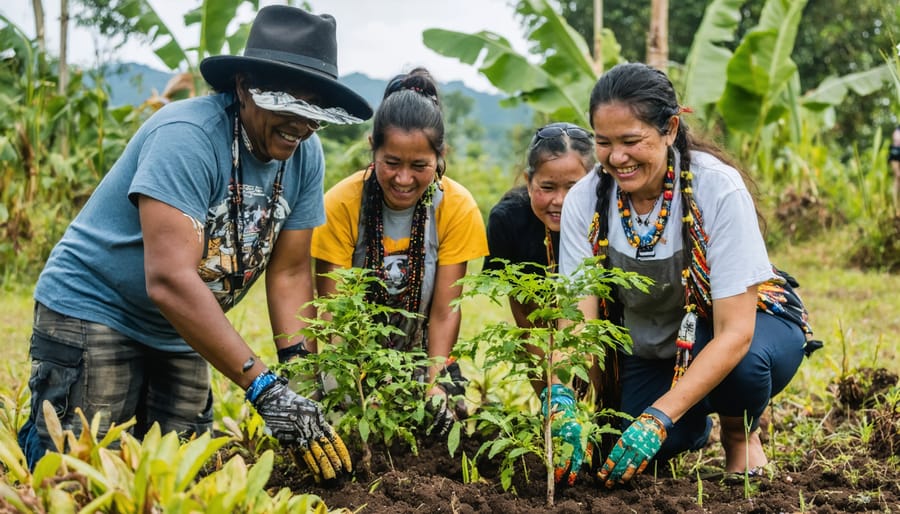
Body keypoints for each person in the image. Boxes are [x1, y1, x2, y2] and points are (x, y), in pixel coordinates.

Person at [18, 5, 372, 482]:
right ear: (243, 87)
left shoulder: (303, 155)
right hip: (95, 308)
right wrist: (263, 387)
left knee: (184, 474)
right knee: (83, 471)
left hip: (179, 327)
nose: (300, 124)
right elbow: (168, 278)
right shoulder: (188, 136)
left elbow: (288, 272)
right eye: (285, 103)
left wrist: (300, 374)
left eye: (312, 112)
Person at [558, 63, 819, 487]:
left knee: (745, 366)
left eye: (631, 141)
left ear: (670, 128)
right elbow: (579, 324)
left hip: (741, 328)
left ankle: (739, 437)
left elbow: (736, 332)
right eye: (603, 142)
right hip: (656, 344)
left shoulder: (718, 189)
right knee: (616, 449)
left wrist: (659, 416)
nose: (616, 157)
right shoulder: (585, 199)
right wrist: (562, 394)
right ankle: (691, 422)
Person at [310, 67, 489, 436]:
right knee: (341, 426)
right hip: (351, 356)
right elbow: (333, 317)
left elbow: (444, 313)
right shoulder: (341, 204)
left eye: (419, 166)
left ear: (440, 157)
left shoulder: (455, 207)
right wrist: (360, 383)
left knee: (445, 419)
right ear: (372, 148)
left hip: (421, 354)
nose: (403, 179)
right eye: (391, 163)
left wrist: (434, 380)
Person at [483, 122, 600, 483]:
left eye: (574, 187)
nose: (560, 201)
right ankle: (553, 425)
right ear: (528, 179)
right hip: (542, 324)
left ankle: (604, 420)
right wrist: (556, 395)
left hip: (599, 320)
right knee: (541, 367)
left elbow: (602, 322)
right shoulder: (508, 221)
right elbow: (526, 318)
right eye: (546, 187)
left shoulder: (607, 216)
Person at [890, 125, 900, 215]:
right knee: (897, 178)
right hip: (896, 154)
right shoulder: (897, 131)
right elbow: (896, 142)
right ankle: (895, 206)